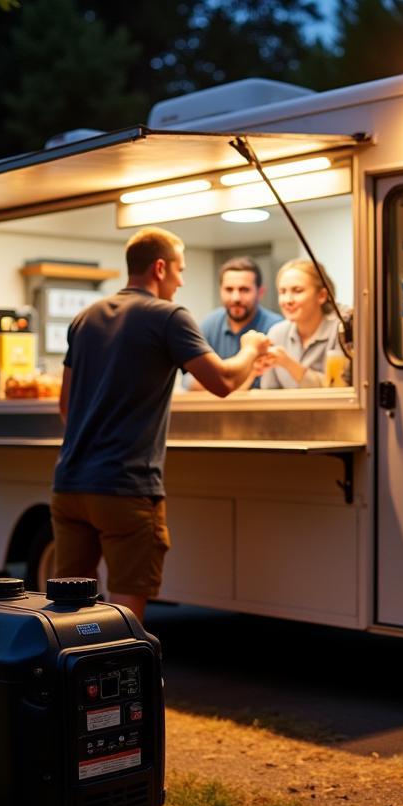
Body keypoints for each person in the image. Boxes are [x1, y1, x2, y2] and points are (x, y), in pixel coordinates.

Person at [51, 226, 270, 622]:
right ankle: (123, 681)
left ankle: (70, 680)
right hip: (125, 488)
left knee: (69, 611)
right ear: (159, 268)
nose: (182, 280)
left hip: (69, 486)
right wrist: (250, 350)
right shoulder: (168, 316)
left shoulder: (85, 318)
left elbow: (65, 406)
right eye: (179, 270)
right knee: (123, 616)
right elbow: (221, 382)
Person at [186, 257, 281, 390]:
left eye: (244, 290)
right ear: (220, 291)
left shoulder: (276, 328)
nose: (235, 298)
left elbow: (274, 386)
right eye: (229, 289)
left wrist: (217, 378)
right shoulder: (209, 324)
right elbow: (189, 380)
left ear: (260, 293)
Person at [259, 259, 350, 389]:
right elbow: (268, 392)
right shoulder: (276, 333)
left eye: (297, 290)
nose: (288, 300)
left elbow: (337, 389)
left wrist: (288, 363)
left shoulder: (341, 330)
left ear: (322, 295)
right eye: (282, 292)